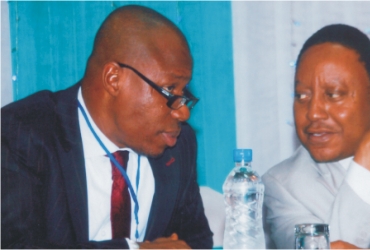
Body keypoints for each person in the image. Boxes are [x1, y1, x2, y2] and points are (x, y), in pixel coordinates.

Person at [1, 5, 213, 249]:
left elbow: (196, 240)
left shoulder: (178, 143)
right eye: (170, 90)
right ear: (114, 79)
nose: (183, 112)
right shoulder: (20, 135)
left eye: (183, 92)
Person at [263, 24, 370, 249]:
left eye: (333, 94)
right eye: (302, 95)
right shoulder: (284, 187)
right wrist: (366, 155)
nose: (313, 112)